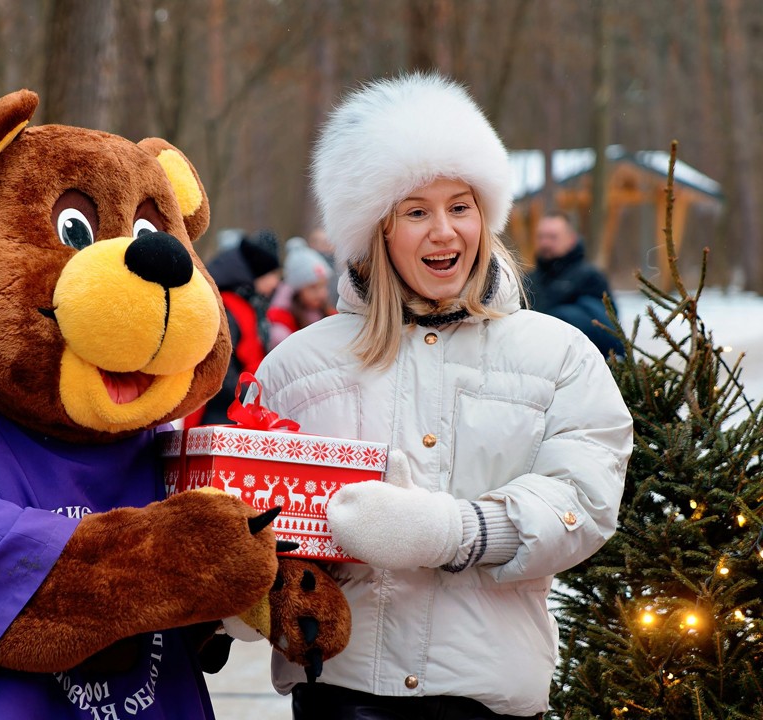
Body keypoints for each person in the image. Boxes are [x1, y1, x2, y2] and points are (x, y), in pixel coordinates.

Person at [253, 73, 633, 718]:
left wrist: (454, 532)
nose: (444, 232)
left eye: (460, 206)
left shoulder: (558, 355)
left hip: (487, 697)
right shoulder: (297, 366)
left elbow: (584, 503)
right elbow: (255, 519)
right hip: (341, 695)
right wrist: (254, 584)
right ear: (376, 228)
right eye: (417, 211)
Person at [187, 229, 281, 426]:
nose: (276, 283)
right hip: (221, 411)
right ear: (257, 274)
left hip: (235, 405)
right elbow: (221, 369)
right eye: (272, 275)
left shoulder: (247, 304)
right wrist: (254, 394)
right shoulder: (230, 308)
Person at [525, 211, 623, 357]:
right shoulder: (527, 280)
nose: (545, 243)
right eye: (541, 237)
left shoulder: (590, 277)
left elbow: (603, 325)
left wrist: (553, 321)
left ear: (571, 239)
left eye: (552, 237)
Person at [266, 236, 336, 350]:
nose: (322, 294)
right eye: (313, 288)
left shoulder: (329, 314)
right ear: (297, 290)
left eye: (324, 285)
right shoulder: (280, 329)